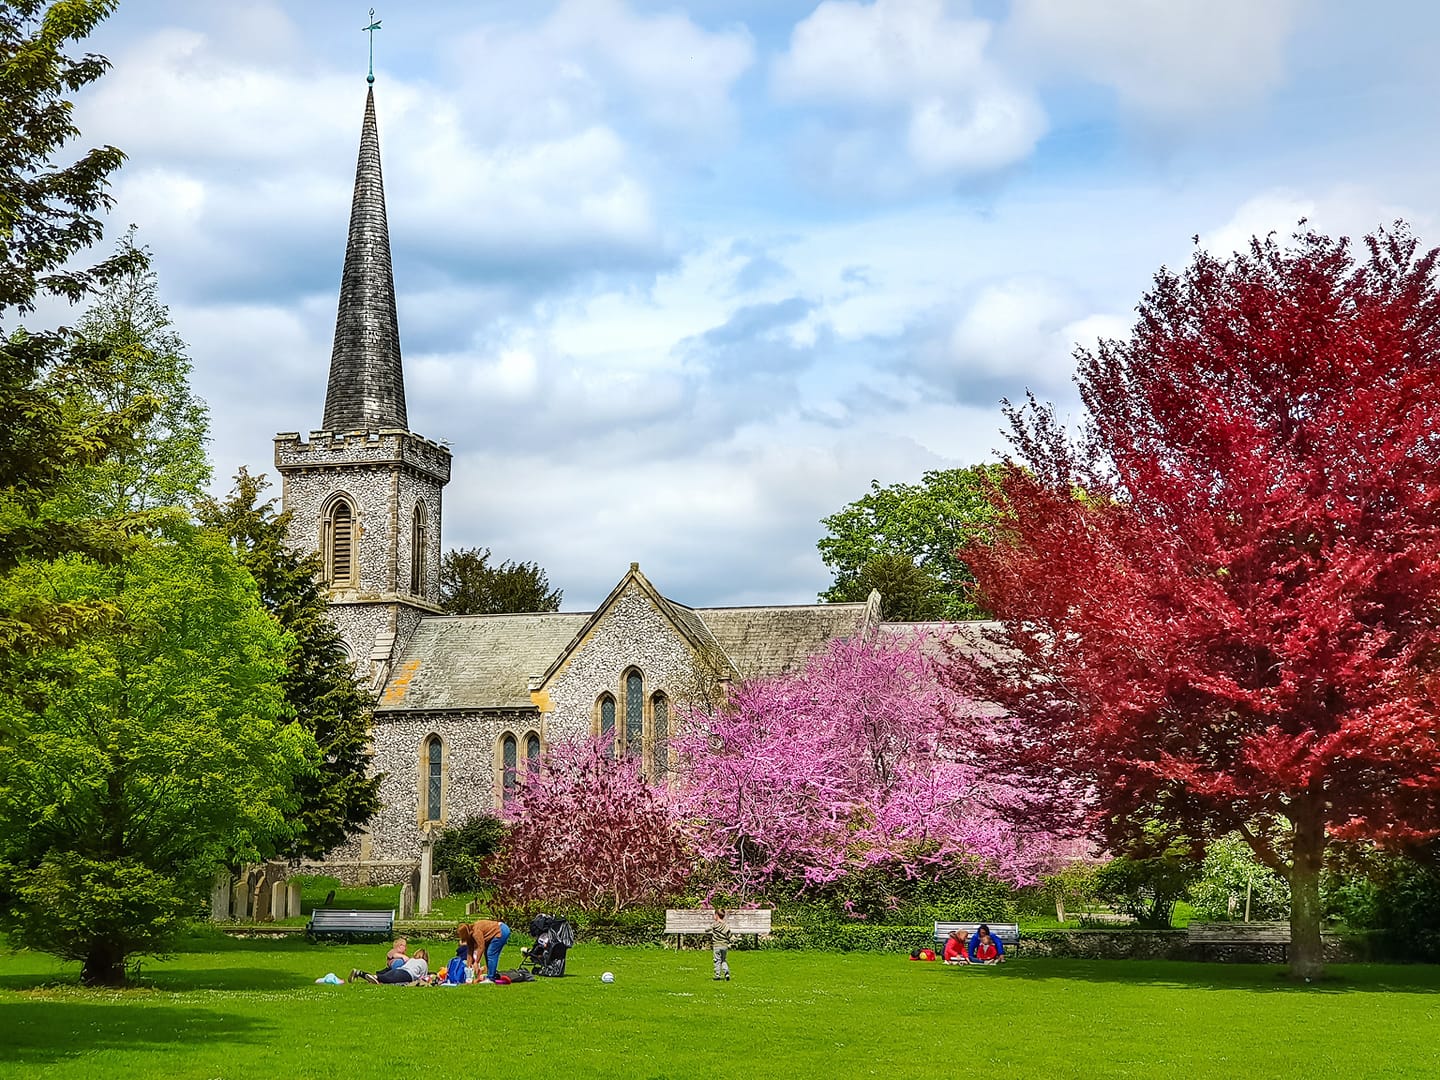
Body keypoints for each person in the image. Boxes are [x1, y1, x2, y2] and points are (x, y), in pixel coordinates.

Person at [353, 948, 429, 984]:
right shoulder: (424, 963)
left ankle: (359, 973)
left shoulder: (412, 959)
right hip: (407, 974)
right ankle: (375, 977)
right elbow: (423, 977)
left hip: (398, 970)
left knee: (382, 980)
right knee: (387, 979)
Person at [711, 907, 732, 981]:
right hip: (724, 946)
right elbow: (729, 934)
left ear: (716, 915)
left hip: (717, 945)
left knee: (717, 960)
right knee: (723, 960)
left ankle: (717, 975)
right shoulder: (726, 925)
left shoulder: (714, 925)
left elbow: (707, 929)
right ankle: (726, 973)